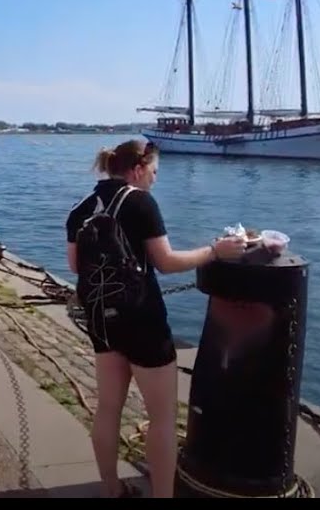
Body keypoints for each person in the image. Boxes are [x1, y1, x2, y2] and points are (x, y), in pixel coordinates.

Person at [65, 138, 245, 498]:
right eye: (154, 171)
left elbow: (75, 266)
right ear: (137, 170)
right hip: (142, 319)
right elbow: (165, 262)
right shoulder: (140, 202)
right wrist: (215, 251)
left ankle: (112, 489)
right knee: (162, 418)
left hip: (102, 318)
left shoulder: (80, 208)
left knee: (108, 407)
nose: (155, 179)